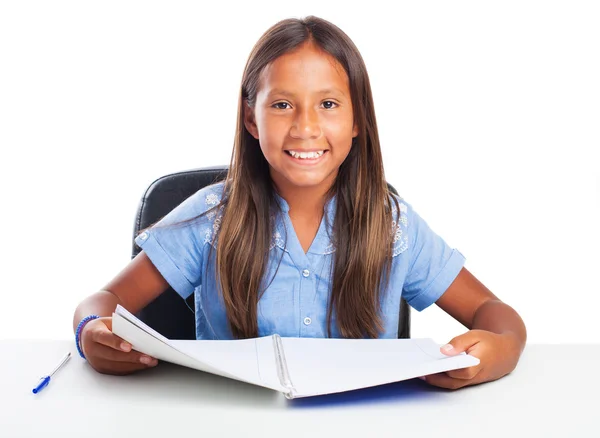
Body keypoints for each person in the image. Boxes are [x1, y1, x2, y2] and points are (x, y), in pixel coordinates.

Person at [73, 15, 527, 390]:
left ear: (357, 121)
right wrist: (91, 330)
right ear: (251, 118)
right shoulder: (211, 218)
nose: (305, 127)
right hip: (230, 429)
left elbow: (498, 316)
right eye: (283, 105)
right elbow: (104, 300)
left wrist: (500, 350)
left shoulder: (391, 225)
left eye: (328, 104)